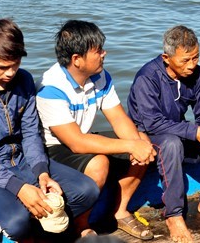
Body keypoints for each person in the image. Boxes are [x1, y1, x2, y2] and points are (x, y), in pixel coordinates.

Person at [0, 18, 99, 241]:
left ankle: (44, 232)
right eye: (2, 67)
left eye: (15, 64)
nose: (10, 73)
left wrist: (42, 172)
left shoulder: (24, 80)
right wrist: (19, 188)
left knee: (88, 191)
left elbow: (30, 133)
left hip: (22, 161)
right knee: (16, 224)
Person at [36, 20, 157, 240]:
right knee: (99, 162)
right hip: (55, 148)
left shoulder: (100, 76)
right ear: (77, 60)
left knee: (142, 139)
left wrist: (138, 145)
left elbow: (118, 117)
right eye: (98, 51)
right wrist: (130, 146)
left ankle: (119, 210)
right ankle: (81, 226)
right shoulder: (51, 88)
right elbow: (75, 142)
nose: (104, 53)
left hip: (83, 137)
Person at [127, 25, 200, 243]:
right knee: (171, 144)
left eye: (195, 58)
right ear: (166, 57)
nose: (192, 65)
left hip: (176, 129)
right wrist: (195, 131)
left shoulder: (199, 74)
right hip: (147, 135)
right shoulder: (147, 77)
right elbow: (153, 123)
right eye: (185, 60)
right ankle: (173, 215)